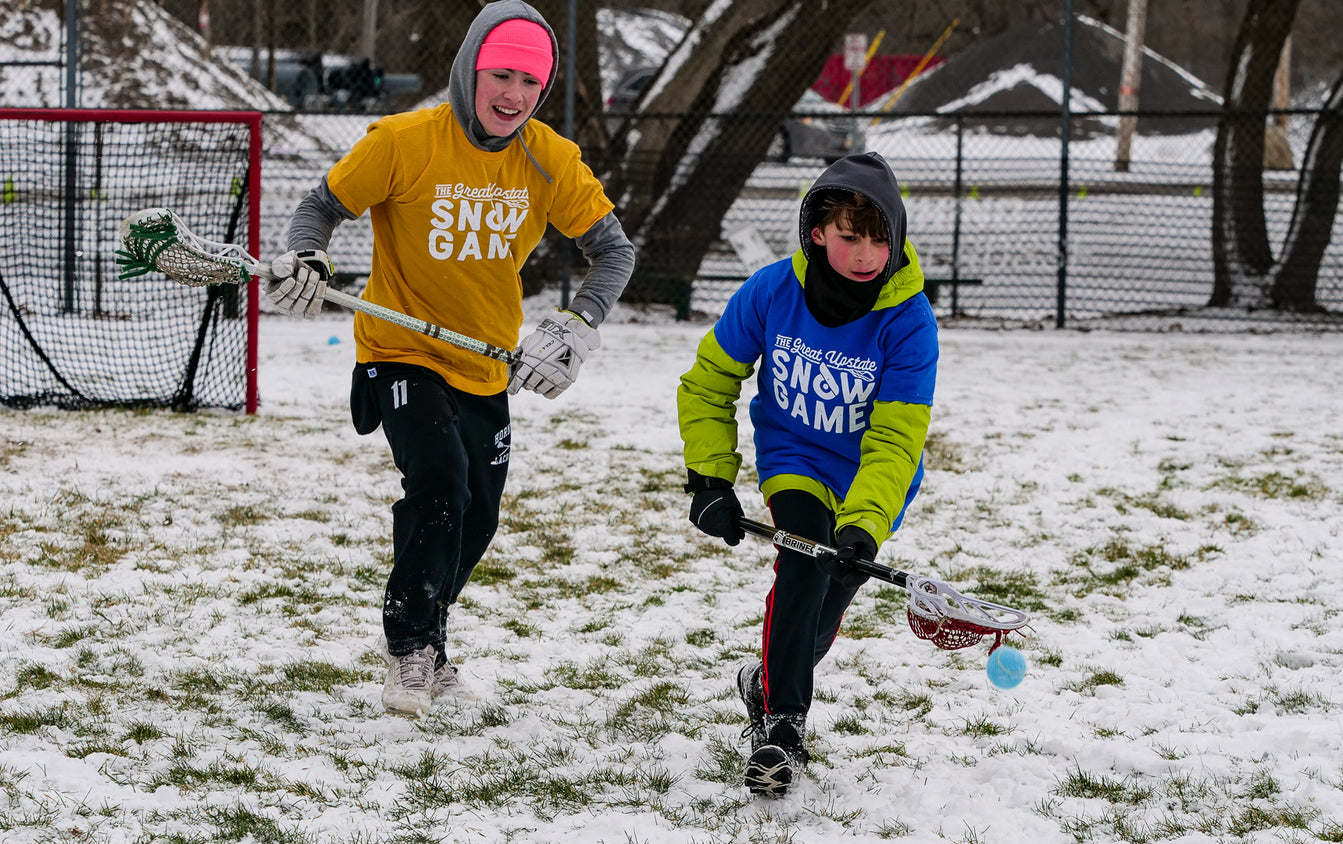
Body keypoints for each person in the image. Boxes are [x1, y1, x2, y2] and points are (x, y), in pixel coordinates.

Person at [264, 0, 635, 718]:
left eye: (530, 82)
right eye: (501, 74)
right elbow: (321, 206)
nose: (514, 95)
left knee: (478, 517)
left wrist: (577, 327)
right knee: (439, 482)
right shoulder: (404, 141)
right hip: (400, 350)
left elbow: (613, 252)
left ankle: (430, 637)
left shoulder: (551, 160)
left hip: (485, 360)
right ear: (470, 70)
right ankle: (406, 647)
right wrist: (308, 254)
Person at [677, 151, 937, 797]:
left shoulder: (909, 322)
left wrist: (867, 525)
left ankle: (763, 684)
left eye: (881, 238)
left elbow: (896, 436)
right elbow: (710, 381)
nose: (867, 253)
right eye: (852, 237)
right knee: (799, 565)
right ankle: (783, 729)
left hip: (869, 475)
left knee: (821, 607)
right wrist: (710, 478)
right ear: (818, 232)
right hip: (794, 457)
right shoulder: (770, 291)